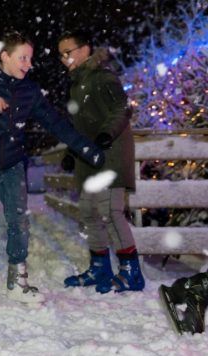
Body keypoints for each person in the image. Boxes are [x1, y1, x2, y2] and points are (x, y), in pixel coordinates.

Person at [0, 31, 106, 303]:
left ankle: (18, 280)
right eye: (23, 58)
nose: (28, 64)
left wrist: (85, 147)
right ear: (5, 56)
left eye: (30, 58)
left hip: (13, 165)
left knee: (19, 223)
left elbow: (55, 123)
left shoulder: (29, 92)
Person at [57, 30, 144, 294]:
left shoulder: (103, 77)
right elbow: (81, 126)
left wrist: (107, 134)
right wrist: (72, 152)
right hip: (88, 155)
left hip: (111, 151)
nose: (63, 59)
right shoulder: (76, 84)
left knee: (110, 212)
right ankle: (100, 267)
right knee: (88, 212)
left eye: (67, 52)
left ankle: (131, 272)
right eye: (60, 54)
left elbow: (122, 108)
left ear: (85, 49)